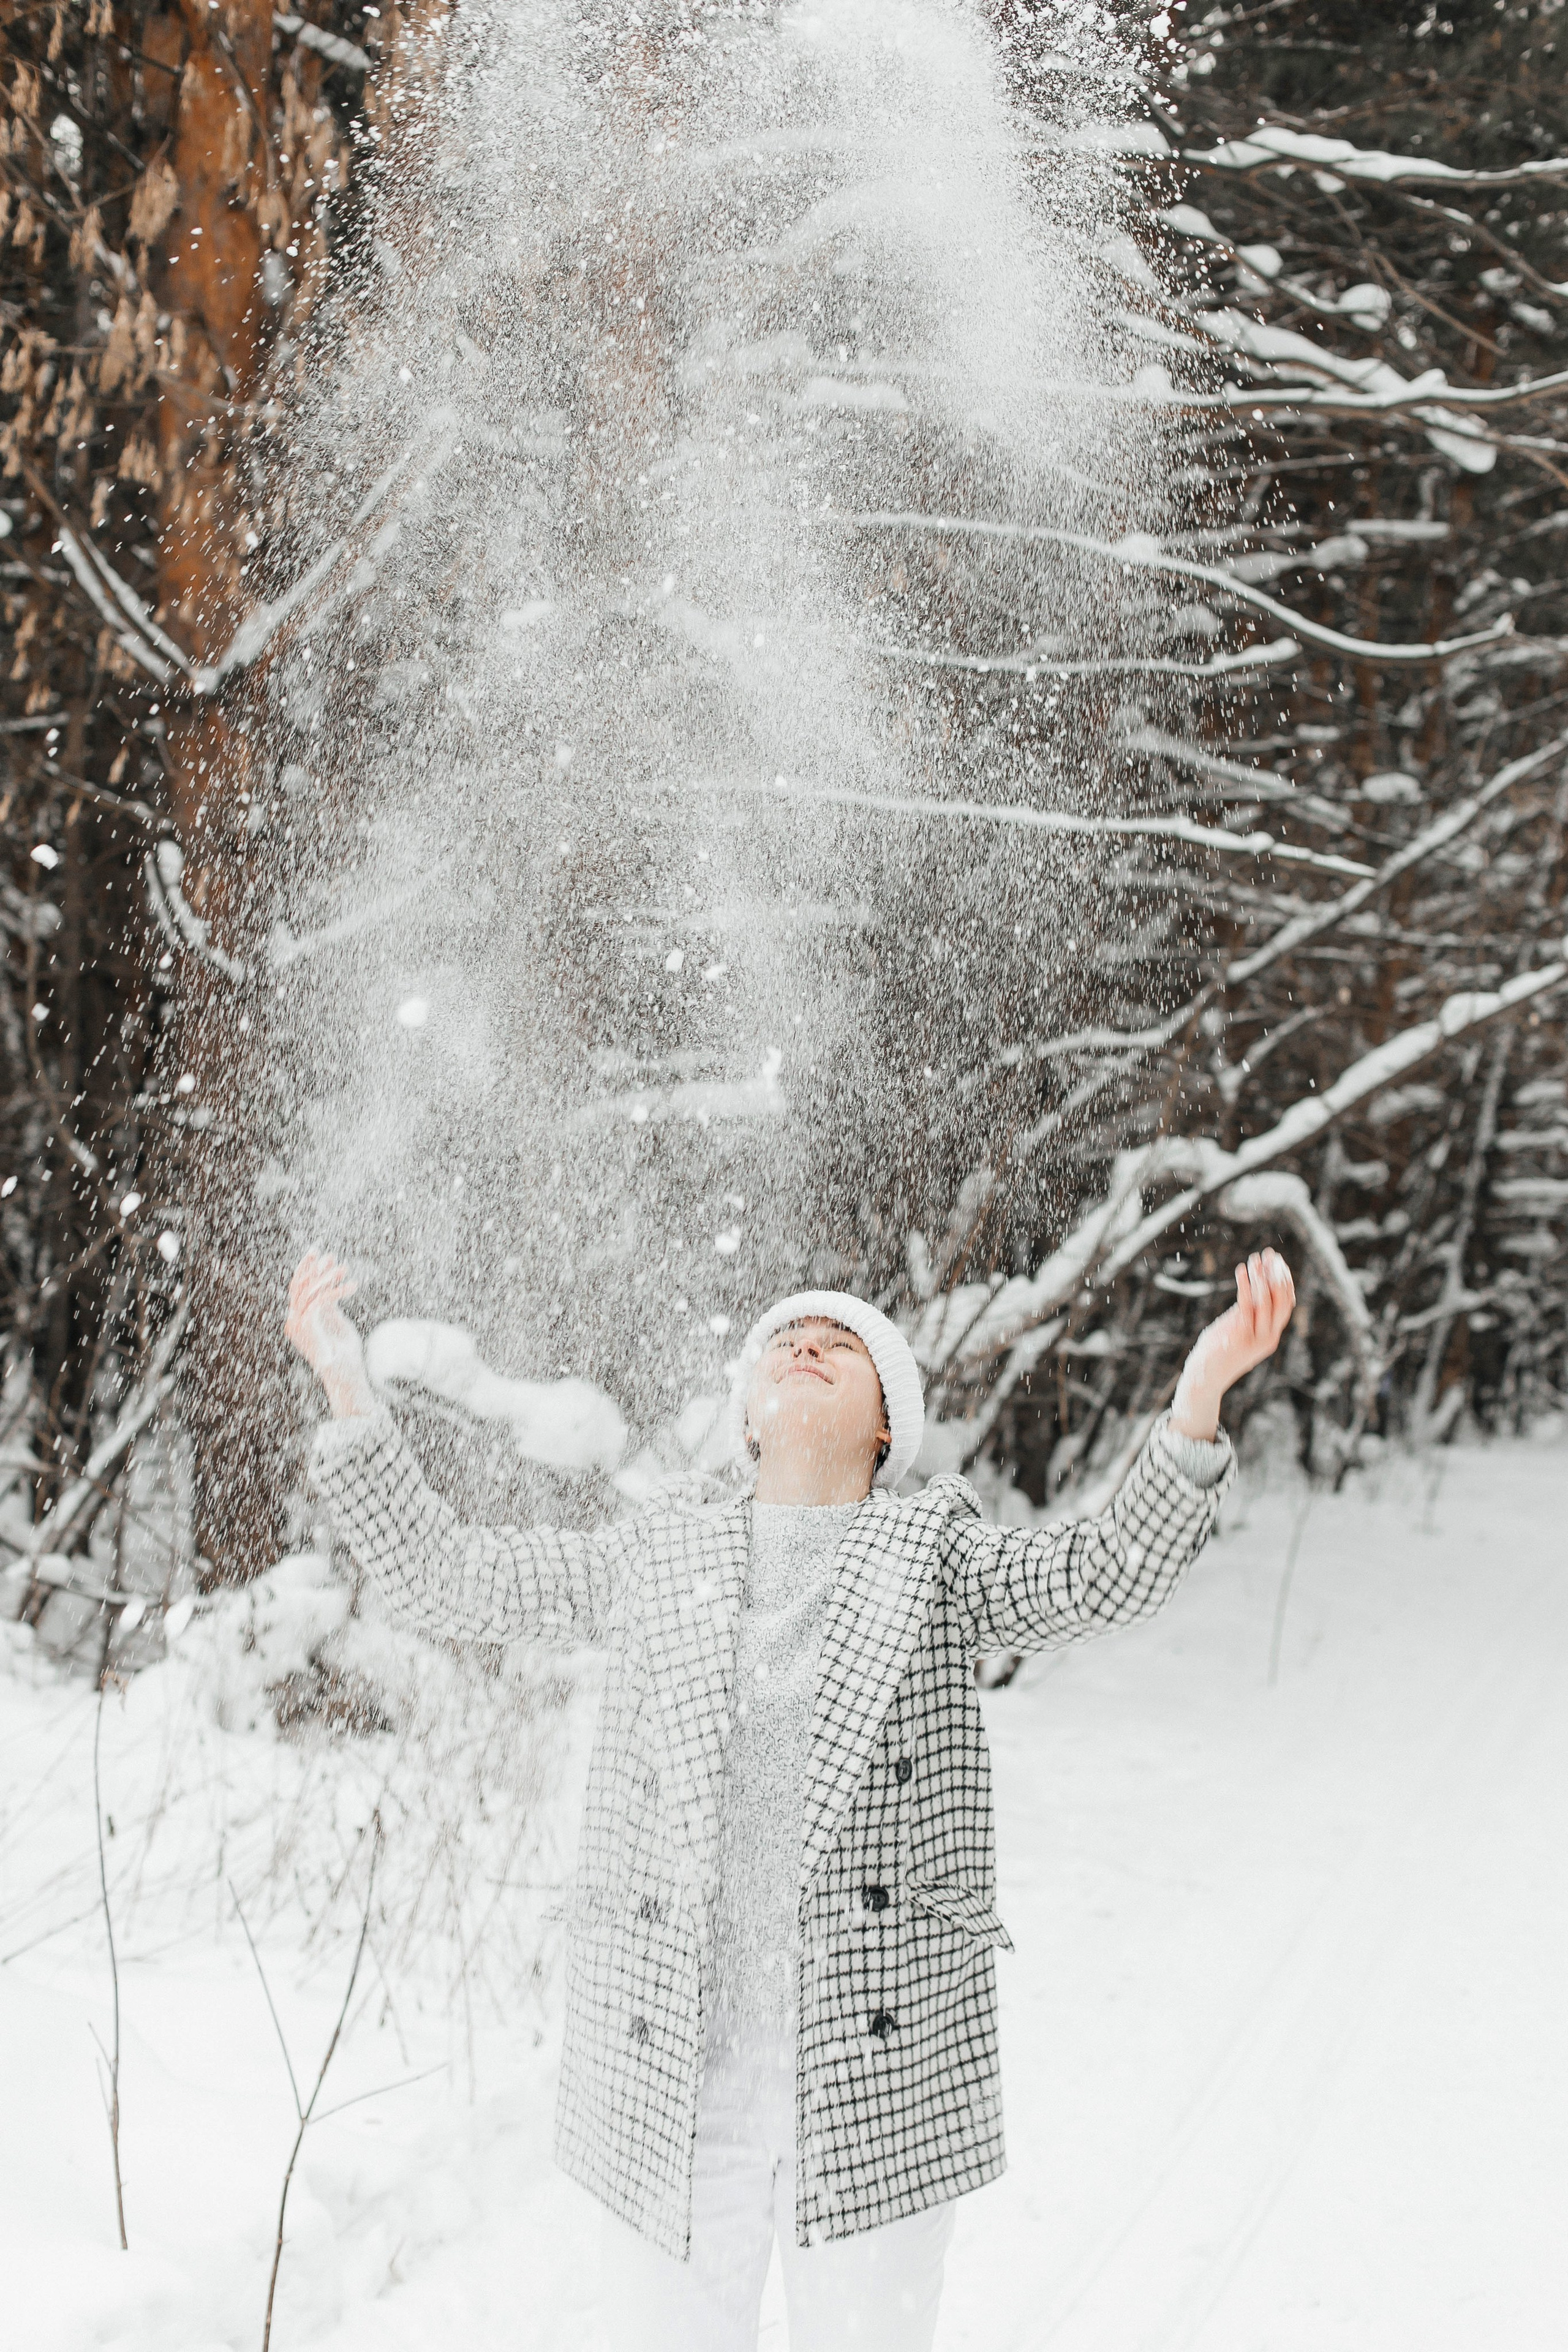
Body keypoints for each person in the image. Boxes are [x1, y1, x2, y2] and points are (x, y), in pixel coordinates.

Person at [287, 1243, 1294, 2352]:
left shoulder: (938, 1559)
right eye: (788, 1341)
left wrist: (1199, 1395)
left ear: (884, 1429)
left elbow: (1101, 1572)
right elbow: (447, 1576)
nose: (809, 1347)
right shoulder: (657, 1555)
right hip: (670, 2087)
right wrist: (346, 1383)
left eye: (842, 1345)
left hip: (877, 2083)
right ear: (750, 1421)